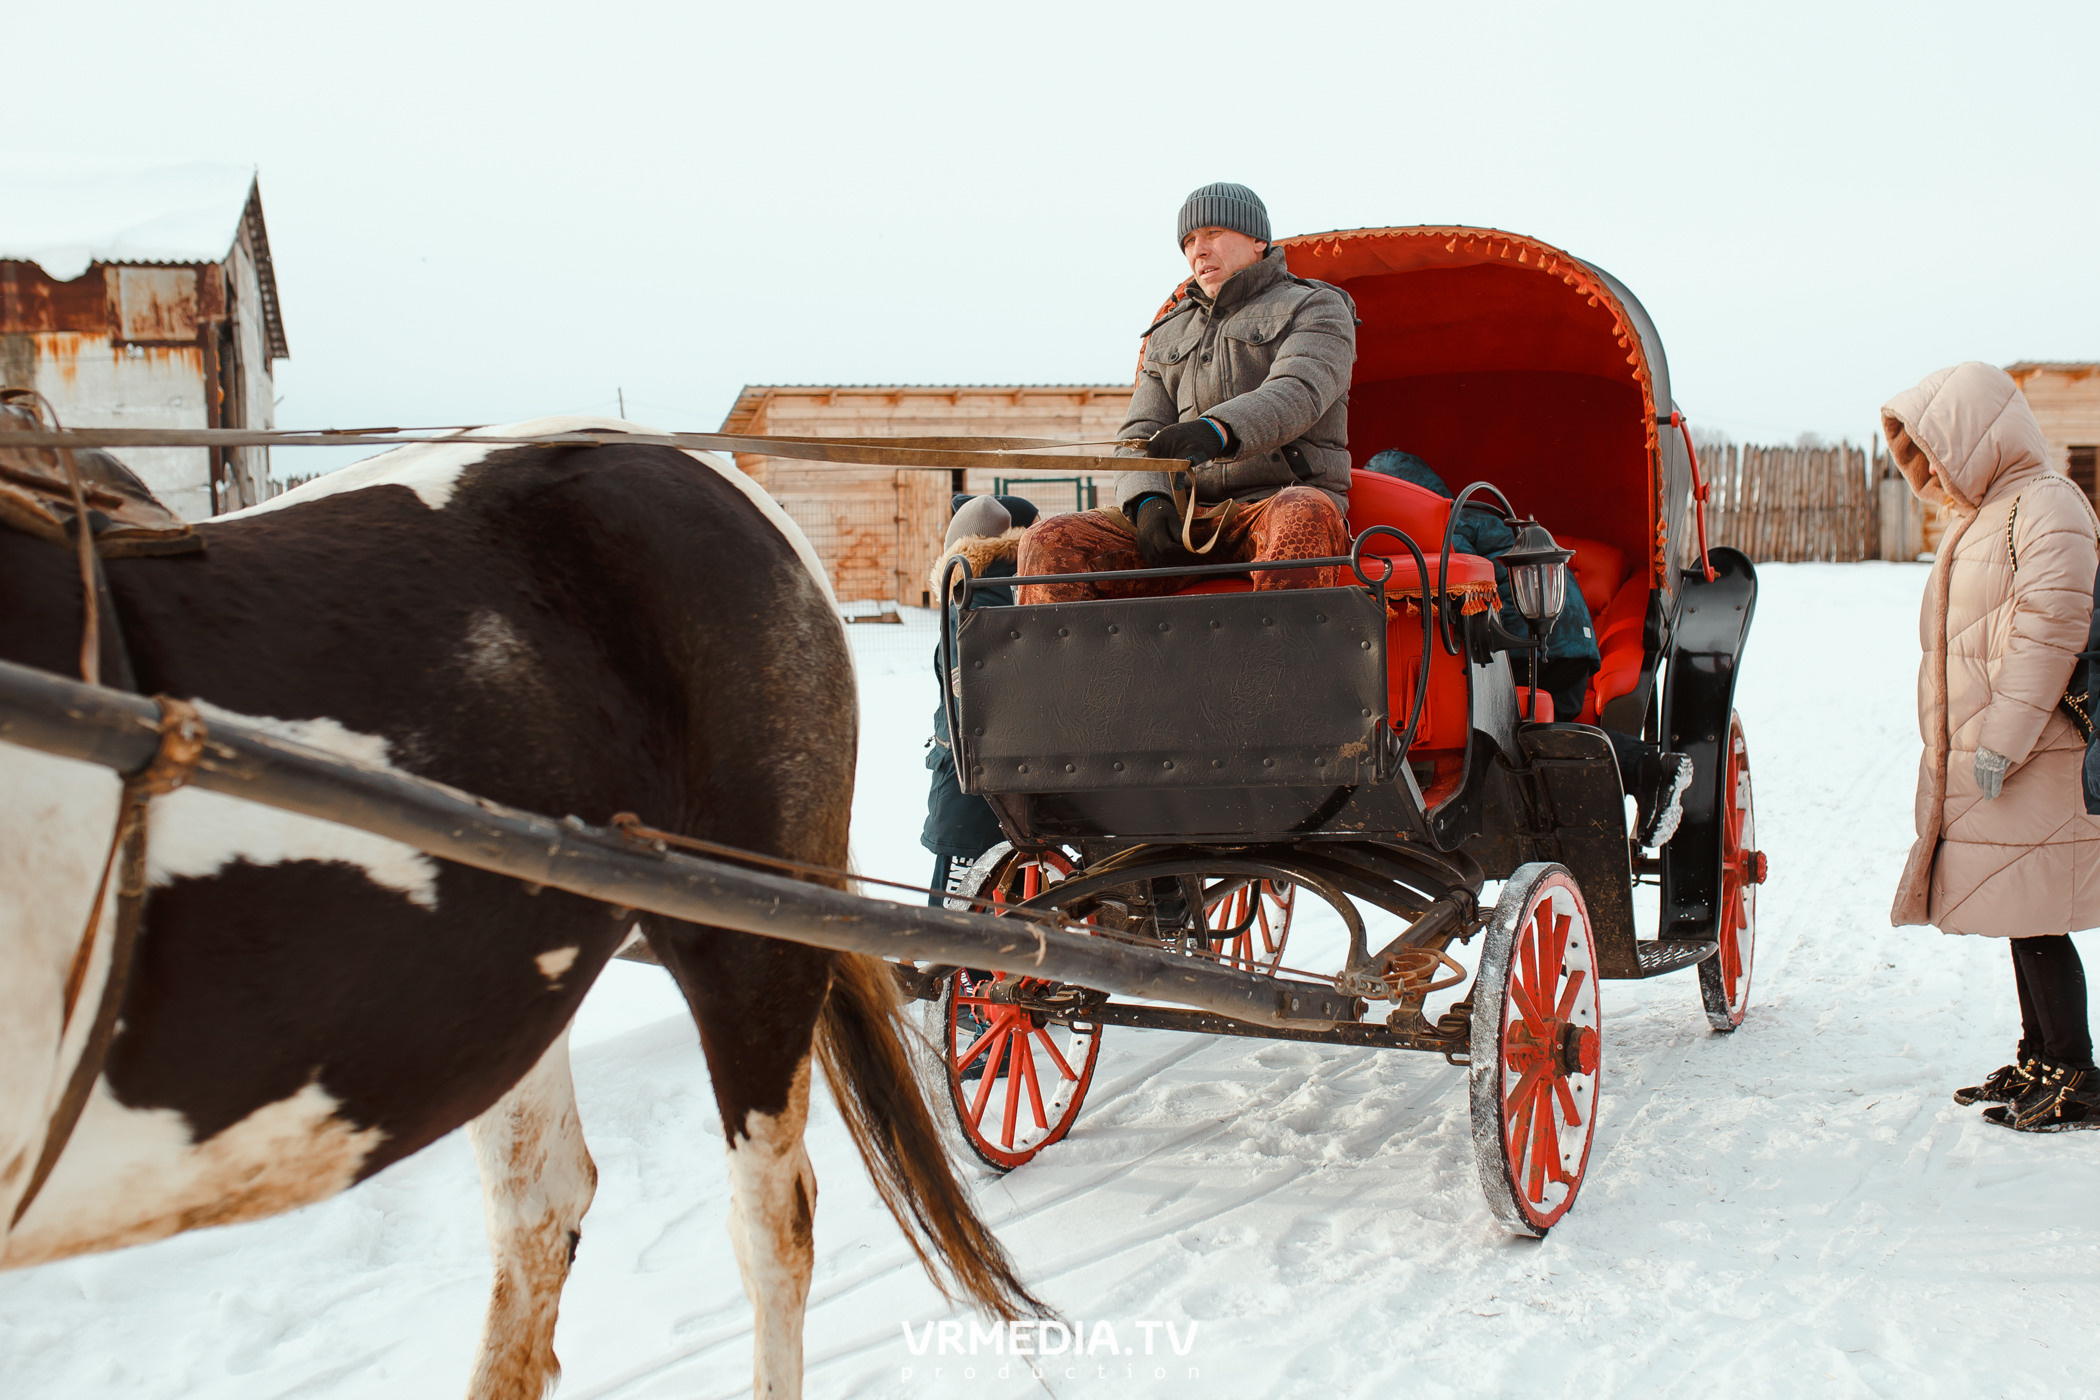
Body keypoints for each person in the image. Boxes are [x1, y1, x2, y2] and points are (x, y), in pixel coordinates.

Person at [1884, 362, 2100, 1131]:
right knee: (2023, 908)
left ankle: (2076, 1071)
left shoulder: (2047, 505)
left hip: (2038, 753)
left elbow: (2051, 627)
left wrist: (2003, 741)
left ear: (1977, 433)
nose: (1932, 468)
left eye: (1937, 447)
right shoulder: (1994, 510)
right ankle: (2043, 1055)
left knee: (2041, 915)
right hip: (1999, 754)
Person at [1016, 183, 1358, 603]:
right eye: (1189, 241)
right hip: (1187, 515)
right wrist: (1146, 502)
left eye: (1212, 233)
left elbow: (1297, 391)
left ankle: (1278, 667)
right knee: (1050, 541)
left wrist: (1216, 431)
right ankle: (1079, 670)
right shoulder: (1168, 332)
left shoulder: (1318, 307)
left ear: (1258, 240)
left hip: (1272, 504)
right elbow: (1140, 432)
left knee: (1303, 517)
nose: (1199, 249)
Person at [1365, 450, 1693, 849]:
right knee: (1525, 726)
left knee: (1516, 725)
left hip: (1542, 643)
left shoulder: (1443, 525)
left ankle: (1647, 768)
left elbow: (1450, 587)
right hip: (1558, 641)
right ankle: (1641, 770)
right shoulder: (1467, 516)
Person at [921, 493, 1039, 900]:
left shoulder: (967, 602)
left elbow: (965, 699)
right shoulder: (1021, 592)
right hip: (1022, 782)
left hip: (969, 786)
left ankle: (953, 965)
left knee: (958, 909)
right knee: (1012, 897)